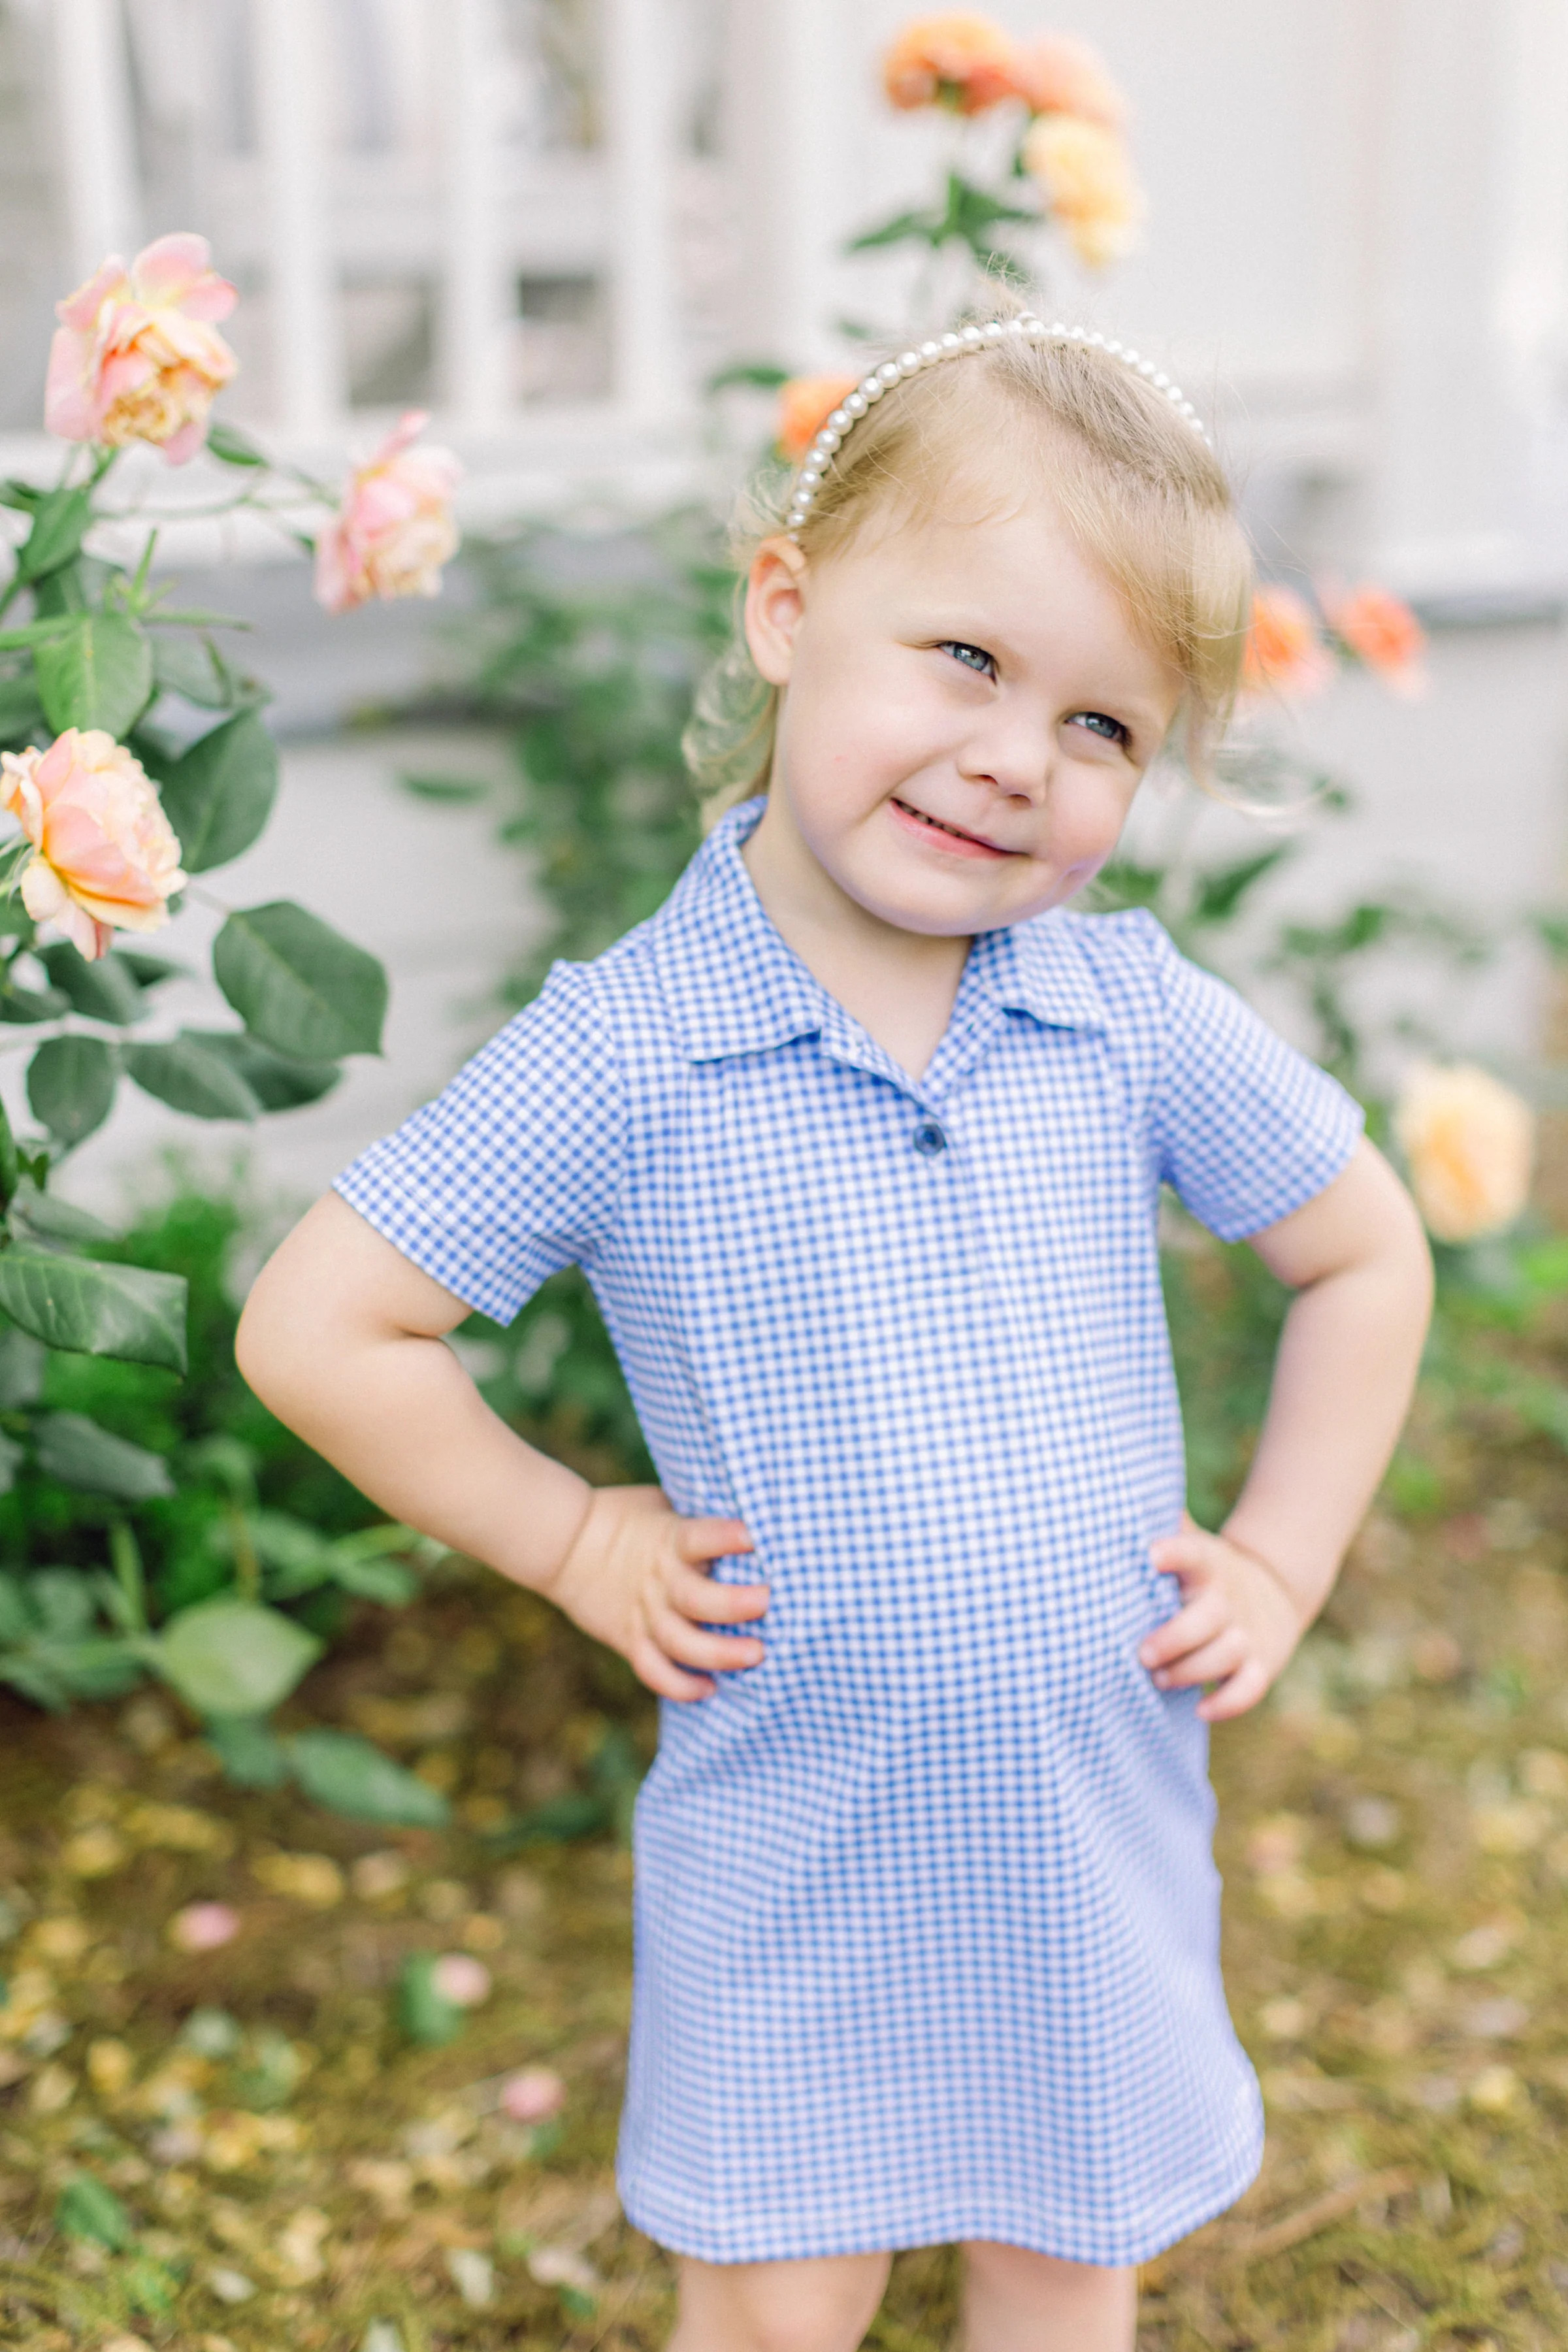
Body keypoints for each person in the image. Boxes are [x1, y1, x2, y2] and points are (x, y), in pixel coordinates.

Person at [237, 303, 1433, 2352]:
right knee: (782, 2309)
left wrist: (1285, 1554)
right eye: (966, 658)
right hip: (801, 1843)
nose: (1014, 760)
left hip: (1084, 1828)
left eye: (1101, 728)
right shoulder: (630, 1048)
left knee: (1065, 2281)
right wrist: (573, 1537)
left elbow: (1366, 1253)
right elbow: (323, 1325)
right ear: (790, 607)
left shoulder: (1117, 1011)